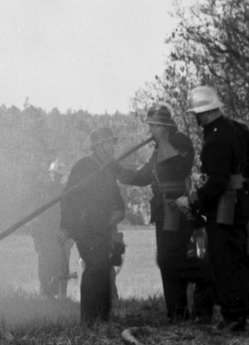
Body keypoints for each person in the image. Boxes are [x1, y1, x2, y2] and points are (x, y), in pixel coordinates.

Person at [117, 104, 213, 322]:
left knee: (169, 260)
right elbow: (143, 176)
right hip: (163, 211)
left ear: (163, 126)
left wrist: (162, 141)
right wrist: (119, 172)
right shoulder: (160, 148)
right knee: (168, 260)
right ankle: (177, 314)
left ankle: (207, 279)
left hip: (179, 209)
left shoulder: (180, 142)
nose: (150, 130)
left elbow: (177, 166)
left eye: (153, 126)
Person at [175, 86, 249, 332]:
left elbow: (217, 182)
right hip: (241, 202)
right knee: (239, 261)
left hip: (226, 208)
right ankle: (238, 315)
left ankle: (234, 319)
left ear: (206, 112)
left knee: (225, 263)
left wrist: (192, 200)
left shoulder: (216, 139)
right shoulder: (237, 129)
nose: (196, 119)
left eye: (197, 114)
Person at [60, 126, 126, 324]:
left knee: (103, 269)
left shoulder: (108, 169)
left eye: (113, 143)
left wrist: (120, 209)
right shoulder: (84, 166)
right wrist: (66, 227)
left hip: (103, 227)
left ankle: (102, 318)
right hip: (85, 226)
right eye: (108, 144)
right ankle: (88, 320)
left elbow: (115, 196)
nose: (112, 147)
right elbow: (68, 197)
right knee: (95, 267)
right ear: (98, 146)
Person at [28, 160, 72, 298]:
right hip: (44, 233)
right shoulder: (43, 192)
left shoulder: (65, 193)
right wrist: (35, 230)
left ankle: (57, 293)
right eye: (52, 174)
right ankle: (45, 292)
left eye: (57, 175)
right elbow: (35, 211)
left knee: (58, 263)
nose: (54, 177)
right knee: (44, 263)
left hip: (58, 232)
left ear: (60, 177)